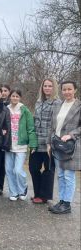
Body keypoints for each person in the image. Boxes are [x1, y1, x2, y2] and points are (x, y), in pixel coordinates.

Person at [47, 81, 81, 214]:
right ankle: (61, 201)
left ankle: (67, 204)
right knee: (60, 175)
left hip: (70, 146)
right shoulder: (58, 105)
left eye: (69, 89)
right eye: (64, 89)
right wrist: (49, 143)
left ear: (75, 90)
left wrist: (71, 135)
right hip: (57, 144)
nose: (67, 92)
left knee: (68, 175)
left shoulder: (79, 106)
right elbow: (52, 125)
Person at [29, 78, 60, 204]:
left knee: (48, 170)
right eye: (45, 86)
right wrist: (32, 142)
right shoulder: (38, 102)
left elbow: (55, 125)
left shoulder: (57, 103)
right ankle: (37, 193)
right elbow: (35, 122)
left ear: (54, 88)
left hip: (49, 143)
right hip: (36, 142)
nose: (47, 88)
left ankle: (44, 196)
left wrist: (50, 143)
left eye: (50, 86)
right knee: (33, 167)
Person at [5, 89, 37, 201]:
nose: (14, 98)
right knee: (9, 170)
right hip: (8, 145)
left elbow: (31, 128)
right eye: (13, 96)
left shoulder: (25, 110)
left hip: (21, 145)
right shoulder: (6, 109)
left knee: (18, 170)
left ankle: (23, 188)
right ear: (10, 97)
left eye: (17, 96)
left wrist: (33, 144)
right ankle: (14, 192)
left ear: (20, 98)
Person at [0, 84, 11, 196]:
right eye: (2, 91)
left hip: (6, 138)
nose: (4, 93)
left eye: (6, 90)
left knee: (3, 164)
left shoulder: (10, 105)